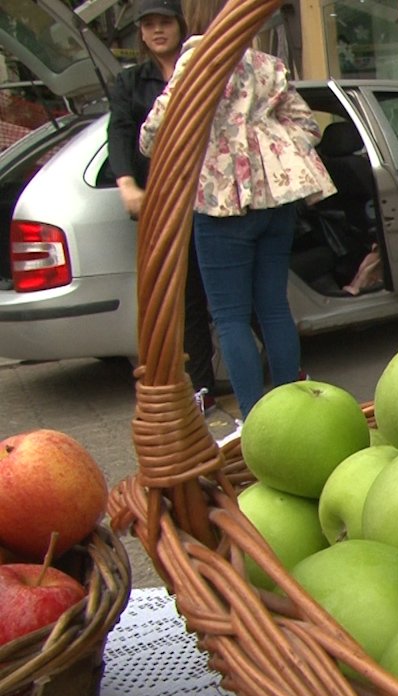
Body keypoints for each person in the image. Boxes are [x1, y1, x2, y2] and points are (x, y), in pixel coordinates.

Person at [140, 0, 335, 418]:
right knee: (273, 307)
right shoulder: (268, 65)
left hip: (220, 202)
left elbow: (154, 135)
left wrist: (221, 142)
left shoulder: (196, 59)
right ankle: (294, 414)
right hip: (275, 200)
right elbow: (308, 127)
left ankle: (255, 422)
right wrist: (263, 142)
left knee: (229, 317)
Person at [107, 0, 219, 414]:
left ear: (179, 25)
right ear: (140, 33)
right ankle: (203, 392)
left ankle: (281, 378)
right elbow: (118, 134)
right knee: (186, 299)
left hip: (211, 197)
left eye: (164, 23)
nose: (157, 31)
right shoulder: (130, 83)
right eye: (149, 25)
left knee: (227, 295)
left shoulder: (204, 64)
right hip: (163, 205)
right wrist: (127, 185)